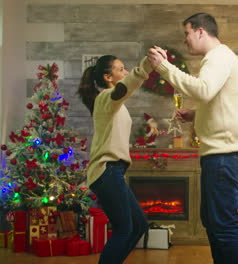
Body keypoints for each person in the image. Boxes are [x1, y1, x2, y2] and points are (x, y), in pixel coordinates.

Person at [147, 12, 238, 264]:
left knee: (222, 226)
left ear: (201, 31)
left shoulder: (218, 57)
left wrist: (163, 66)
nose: (185, 39)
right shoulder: (219, 57)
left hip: (225, 156)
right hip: (219, 155)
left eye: (187, 33)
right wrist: (196, 114)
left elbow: (204, 90)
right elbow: (218, 99)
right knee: (213, 223)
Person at [77, 55, 152, 264]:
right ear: (108, 77)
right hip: (106, 170)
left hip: (113, 171)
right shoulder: (107, 97)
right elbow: (123, 89)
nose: (126, 72)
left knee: (138, 225)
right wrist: (145, 67)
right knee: (124, 228)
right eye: (121, 69)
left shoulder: (113, 101)